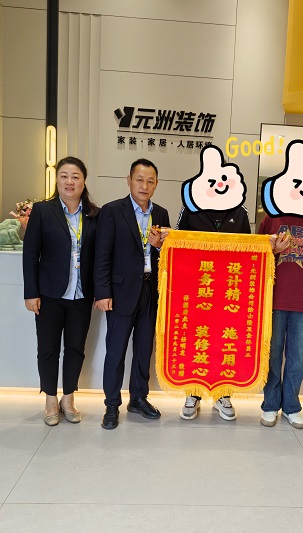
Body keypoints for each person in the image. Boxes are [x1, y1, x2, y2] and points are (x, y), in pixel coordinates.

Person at [94, 158, 170, 430]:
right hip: (120, 292)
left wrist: (160, 247)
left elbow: (167, 256)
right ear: (129, 180)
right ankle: (111, 404)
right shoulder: (112, 211)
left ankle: (138, 398)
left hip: (150, 290)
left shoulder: (161, 214)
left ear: (156, 184)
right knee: (115, 351)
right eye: (139, 180)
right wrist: (102, 292)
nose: (144, 186)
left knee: (143, 350)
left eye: (150, 181)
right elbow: (102, 255)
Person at [23, 156, 99, 426]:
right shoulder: (43, 211)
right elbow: (30, 254)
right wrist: (31, 292)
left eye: (75, 176)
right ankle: (50, 399)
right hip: (49, 295)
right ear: (57, 180)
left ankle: (68, 398)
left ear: (84, 181)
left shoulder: (94, 214)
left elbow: (100, 257)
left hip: (81, 295)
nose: (70, 181)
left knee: (76, 349)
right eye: (64, 176)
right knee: (48, 349)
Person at [175, 204, 251, 421]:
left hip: (228, 288)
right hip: (197, 286)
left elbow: (248, 247)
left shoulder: (240, 212)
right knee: (196, 339)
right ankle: (193, 394)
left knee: (225, 340)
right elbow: (177, 243)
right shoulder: (190, 208)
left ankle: (223, 395)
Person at [258, 214, 303, 429]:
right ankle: (270, 404)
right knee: (272, 355)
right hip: (273, 298)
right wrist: (275, 250)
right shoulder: (271, 217)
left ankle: (291, 407)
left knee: (296, 357)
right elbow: (257, 254)